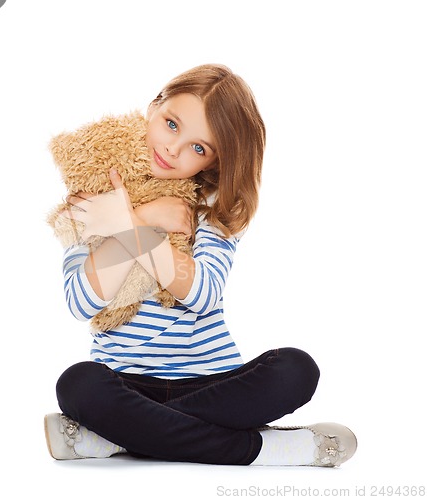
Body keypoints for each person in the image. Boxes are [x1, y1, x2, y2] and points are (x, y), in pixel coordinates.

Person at [44, 64, 357, 467]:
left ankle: (119, 439)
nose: (174, 148)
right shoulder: (93, 195)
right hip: (126, 384)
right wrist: (142, 219)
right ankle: (260, 450)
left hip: (214, 382)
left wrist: (128, 226)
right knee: (78, 384)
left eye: (199, 147)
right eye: (172, 124)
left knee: (296, 369)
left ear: (212, 162)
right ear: (154, 106)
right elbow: (81, 303)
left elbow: (204, 295)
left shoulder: (213, 210)